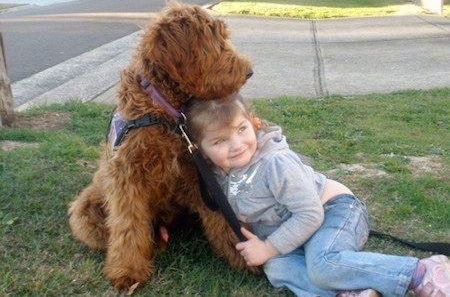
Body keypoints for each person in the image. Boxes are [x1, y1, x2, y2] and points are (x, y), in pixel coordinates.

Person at [184, 93, 450, 297]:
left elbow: (310, 214)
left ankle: (421, 272)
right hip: (296, 233)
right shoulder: (216, 175)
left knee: (323, 264)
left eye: (241, 130)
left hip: (334, 212)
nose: (236, 145)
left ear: (254, 124)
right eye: (219, 141)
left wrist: (268, 247)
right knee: (277, 268)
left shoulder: (276, 164)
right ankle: (351, 291)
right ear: (201, 150)